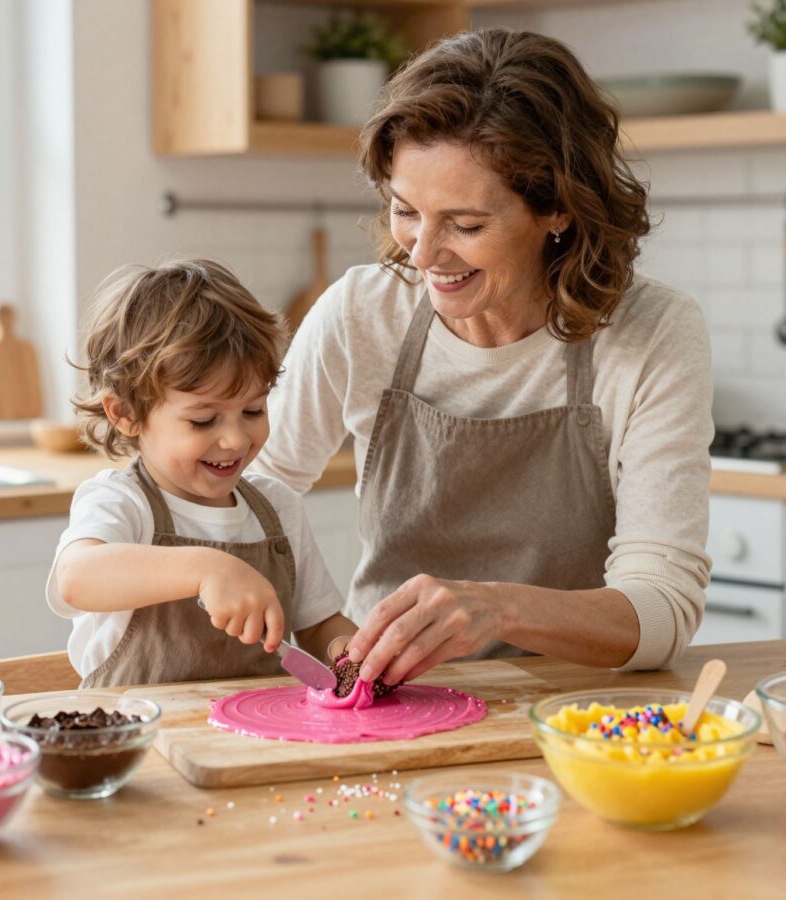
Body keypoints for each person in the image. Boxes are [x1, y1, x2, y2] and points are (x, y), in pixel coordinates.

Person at [252, 28, 713, 688]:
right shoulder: (361, 314)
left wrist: (497, 609)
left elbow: (662, 608)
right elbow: (252, 498)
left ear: (558, 208)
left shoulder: (652, 333)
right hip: (389, 698)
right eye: (405, 210)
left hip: (572, 708)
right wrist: (323, 626)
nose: (421, 253)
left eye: (465, 225)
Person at [48, 260, 357, 687]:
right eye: (203, 420)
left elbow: (319, 625)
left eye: (253, 410)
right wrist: (206, 568)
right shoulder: (122, 502)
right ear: (126, 413)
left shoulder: (278, 508)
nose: (235, 439)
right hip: (138, 728)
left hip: (257, 727)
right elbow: (76, 578)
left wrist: (351, 654)